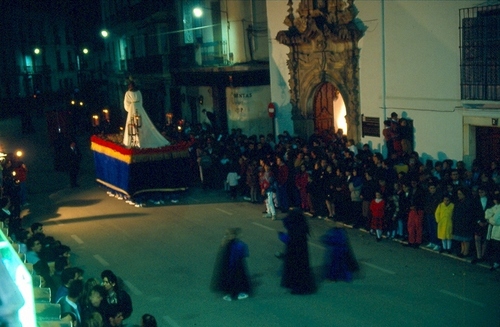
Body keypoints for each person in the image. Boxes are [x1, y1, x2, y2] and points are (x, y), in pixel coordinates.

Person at [122, 81, 170, 148]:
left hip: (132, 108)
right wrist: (138, 106)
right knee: (139, 123)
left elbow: (126, 104)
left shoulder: (128, 93)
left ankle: (134, 141)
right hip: (139, 107)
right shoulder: (138, 92)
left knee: (133, 123)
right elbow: (141, 101)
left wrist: (129, 108)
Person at [280, 210, 316, 294]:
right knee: (302, 269)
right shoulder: (303, 227)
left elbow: (289, 238)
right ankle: (303, 286)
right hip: (302, 254)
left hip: (293, 253)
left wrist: (281, 235)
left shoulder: (293, 227)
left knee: (294, 270)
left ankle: (296, 287)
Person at [210, 228, 251, 301]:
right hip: (234, 265)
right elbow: (244, 253)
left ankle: (233, 294)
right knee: (235, 279)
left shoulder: (231, 243)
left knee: (234, 279)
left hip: (233, 265)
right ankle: (235, 293)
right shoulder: (235, 244)